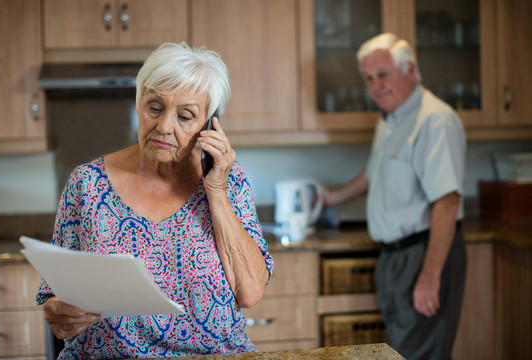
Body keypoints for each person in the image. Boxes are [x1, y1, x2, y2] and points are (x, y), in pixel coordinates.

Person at [36, 42, 274, 358]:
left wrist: (215, 192)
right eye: (155, 107)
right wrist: (58, 314)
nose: (163, 127)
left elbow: (250, 293)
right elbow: (54, 294)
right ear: (138, 104)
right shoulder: (86, 185)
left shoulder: (227, 180)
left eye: (186, 116)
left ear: (208, 125)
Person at [324, 33, 467, 360]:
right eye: (369, 78)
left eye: (383, 74)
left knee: (421, 353)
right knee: (403, 351)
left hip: (425, 254)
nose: (376, 86)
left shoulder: (434, 120)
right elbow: (373, 174)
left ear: (410, 70)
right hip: (394, 259)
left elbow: (447, 202)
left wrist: (430, 277)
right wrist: (332, 198)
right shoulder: (390, 119)